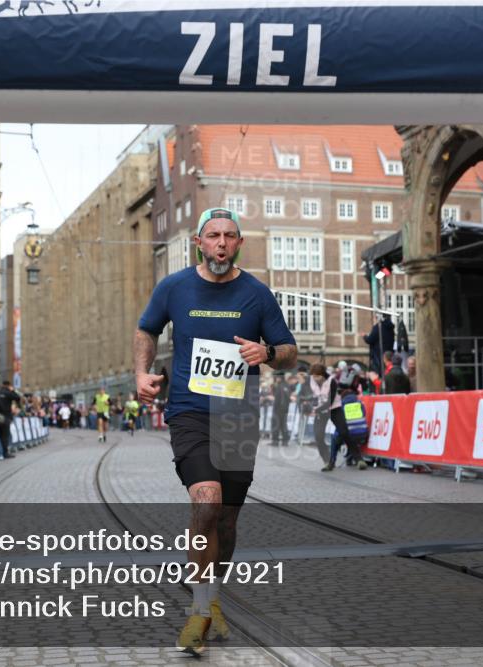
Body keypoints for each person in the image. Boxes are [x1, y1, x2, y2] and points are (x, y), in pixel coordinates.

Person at [134, 206, 297, 655]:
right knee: (206, 500)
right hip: (189, 411)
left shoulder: (257, 295)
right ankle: (200, 611)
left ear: (239, 242)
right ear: (199, 243)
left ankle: (212, 593)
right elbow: (146, 329)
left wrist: (267, 354)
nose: (221, 243)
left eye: (229, 235)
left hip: (238, 416)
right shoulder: (174, 287)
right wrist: (141, 373)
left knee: (226, 519)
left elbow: (290, 352)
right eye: (212, 235)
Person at [322, 361, 366, 471]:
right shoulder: (358, 402)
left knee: (338, 435)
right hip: (363, 433)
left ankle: (331, 462)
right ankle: (357, 459)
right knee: (345, 433)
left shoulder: (341, 402)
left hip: (348, 433)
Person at [308, 364, 333, 462]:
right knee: (318, 437)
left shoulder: (331, 381)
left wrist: (316, 409)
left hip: (333, 410)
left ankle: (355, 457)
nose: (315, 378)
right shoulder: (311, 381)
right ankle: (327, 459)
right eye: (314, 376)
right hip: (320, 412)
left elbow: (331, 400)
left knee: (342, 433)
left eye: (317, 376)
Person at [0, 380, 20, 459]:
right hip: (5, 416)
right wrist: (13, 390)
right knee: (5, 436)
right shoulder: (8, 393)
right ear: (9, 385)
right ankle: (5, 453)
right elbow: (17, 398)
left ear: (2, 384)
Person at [363, 313, 395, 378]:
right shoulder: (390, 328)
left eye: (374, 318)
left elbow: (370, 340)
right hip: (389, 353)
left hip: (379, 355)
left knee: (379, 374)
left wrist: (364, 336)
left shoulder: (378, 327)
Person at [269, 374, 290, 446]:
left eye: (277, 378)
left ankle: (275, 441)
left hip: (278, 408)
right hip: (284, 409)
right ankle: (285, 441)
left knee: (276, 424)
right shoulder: (286, 386)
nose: (276, 379)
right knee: (283, 425)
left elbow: (278, 398)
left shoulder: (279, 386)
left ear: (280, 378)